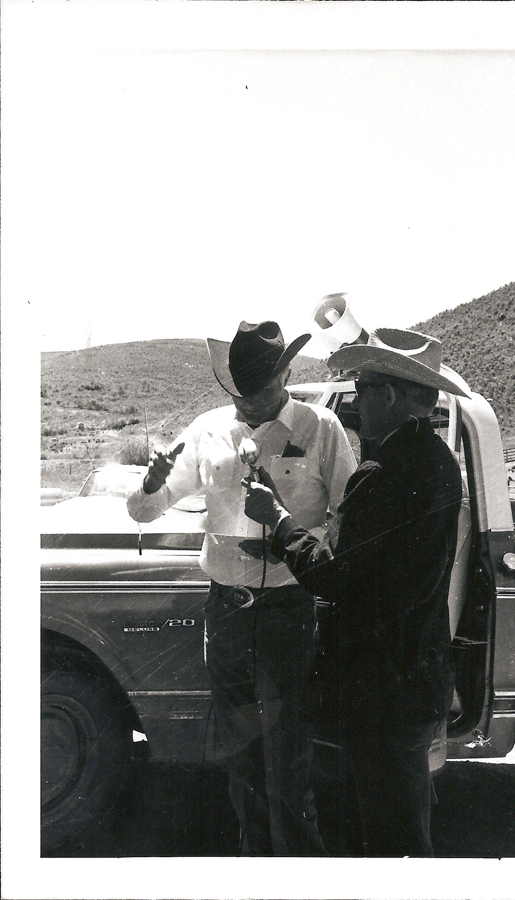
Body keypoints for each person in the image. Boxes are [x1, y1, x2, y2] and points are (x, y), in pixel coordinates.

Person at [127, 319, 357, 856]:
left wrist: (292, 541)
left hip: (287, 610)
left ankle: (301, 875)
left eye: (262, 387)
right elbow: (144, 511)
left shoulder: (321, 428)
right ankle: (255, 868)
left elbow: (349, 517)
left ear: (286, 375)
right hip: (226, 614)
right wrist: (151, 482)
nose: (251, 401)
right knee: (241, 758)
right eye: (242, 390)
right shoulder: (206, 430)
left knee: (289, 758)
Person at [244, 327, 469, 857]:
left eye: (361, 389)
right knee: (403, 816)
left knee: (390, 835)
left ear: (387, 396)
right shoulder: (437, 460)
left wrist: (278, 520)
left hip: (383, 688)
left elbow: (332, 573)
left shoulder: (383, 471)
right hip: (416, 675)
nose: (355, 401)